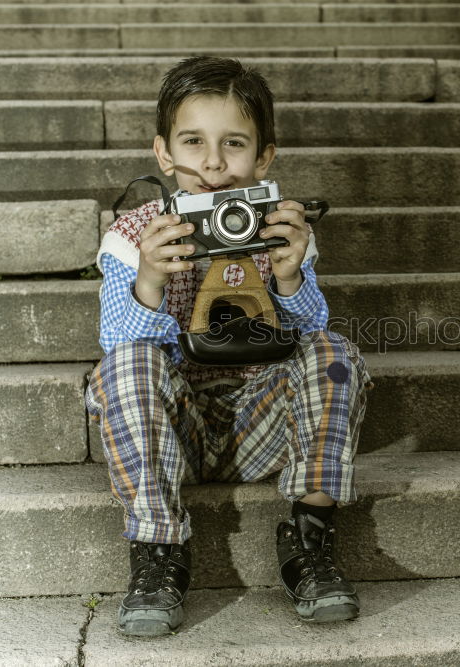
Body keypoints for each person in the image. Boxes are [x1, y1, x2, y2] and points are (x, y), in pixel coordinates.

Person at [85, 55, 372, 637]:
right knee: (129, 363)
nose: (213, 163)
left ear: (264, 157)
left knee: (334, 353)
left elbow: (310, 329)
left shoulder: (273, 224)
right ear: (163, 153)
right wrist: (149, 279)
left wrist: (290, 274)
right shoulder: (134, 234)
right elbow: (116, 345)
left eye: (234, 144)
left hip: (261, 423)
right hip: (173, 427)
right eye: (193, 142)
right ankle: (158, 551)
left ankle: (308, 539)